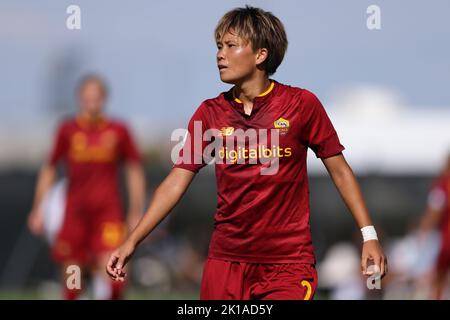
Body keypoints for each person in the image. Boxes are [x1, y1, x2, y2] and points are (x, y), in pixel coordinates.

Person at [107, 6, 386, 300]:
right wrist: (133, 241)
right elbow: (177, 180)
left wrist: (369, 236)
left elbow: (340, 171)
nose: (220, 55)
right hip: (225, 263)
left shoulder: (302, 105)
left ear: (260, 55)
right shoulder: (209, 113)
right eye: (218, 46)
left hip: (287, 265)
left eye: (230, 46)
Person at [28, 75, 146, 299]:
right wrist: (38, 208)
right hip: (75, 214)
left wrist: (135, 211)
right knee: (73, 277)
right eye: (87, 96)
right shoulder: (68, 130)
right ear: (80, 98)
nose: (92, 101)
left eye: (97, 96)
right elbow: (49, 168)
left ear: (104, 98)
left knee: (114, 270)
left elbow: (134, 171)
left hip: (107, 213)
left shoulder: (118, 130)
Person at [418, 153, 450, 299]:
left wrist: (423, 230)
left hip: (447, 241)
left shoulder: (443, 185)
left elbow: (434, 212)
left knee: (438, 281)